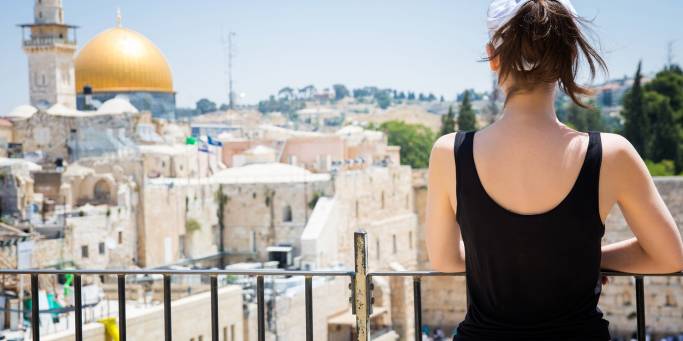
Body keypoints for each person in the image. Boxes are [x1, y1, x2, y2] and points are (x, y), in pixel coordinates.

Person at [425, 0, 683, 340]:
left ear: (493, 56)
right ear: (570, 58)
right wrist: (590, 259)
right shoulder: (612, 154)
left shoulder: (449, 153)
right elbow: (668, 257)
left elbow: (444, 259)